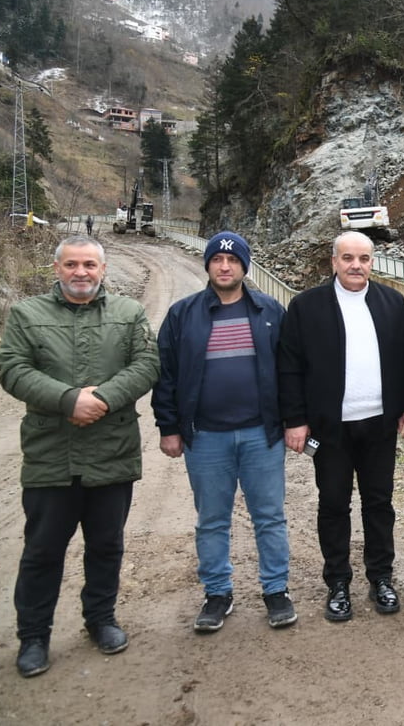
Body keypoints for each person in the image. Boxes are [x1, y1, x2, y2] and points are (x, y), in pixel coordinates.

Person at [0, 236, 158, 677]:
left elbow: (147, 364)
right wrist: (68, 399)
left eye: (89, 264)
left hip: (112, 452)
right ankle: (33, 636)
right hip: (52, 454)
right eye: (72, 265)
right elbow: (13, 368)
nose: (81, 272)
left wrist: (102, 398)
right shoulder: (28, 315)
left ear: (103, 269)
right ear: (57, 269)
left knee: (106, 546)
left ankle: (101, 620)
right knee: (42, 551)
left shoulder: (128, 314)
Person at [153, 231, 295, 633]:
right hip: (206, 437)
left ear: (244, 266)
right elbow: (166, 375)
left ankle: (276, 590)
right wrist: (169, 427)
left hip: (260, 436)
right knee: (212, 519)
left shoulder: (269, 311)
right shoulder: (183, 314)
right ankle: (217, 593)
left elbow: (289, 372)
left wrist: (293, 420)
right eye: (217, 259)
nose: (225, 265)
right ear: (208, 265)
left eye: (233, 260)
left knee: (269, 516)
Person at [278, 231, 404, 621]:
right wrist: (296, 420)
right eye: (349, 258)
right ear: (334, 261)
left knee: (379, 503)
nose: (357, 266)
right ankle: (338, 582)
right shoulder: (307, 306)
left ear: (373, 262)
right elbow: (290, 366)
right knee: (334, 504)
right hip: (330, 428)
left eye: (364, 258)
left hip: (379, 424)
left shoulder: (392, 303)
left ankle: (381, 578)